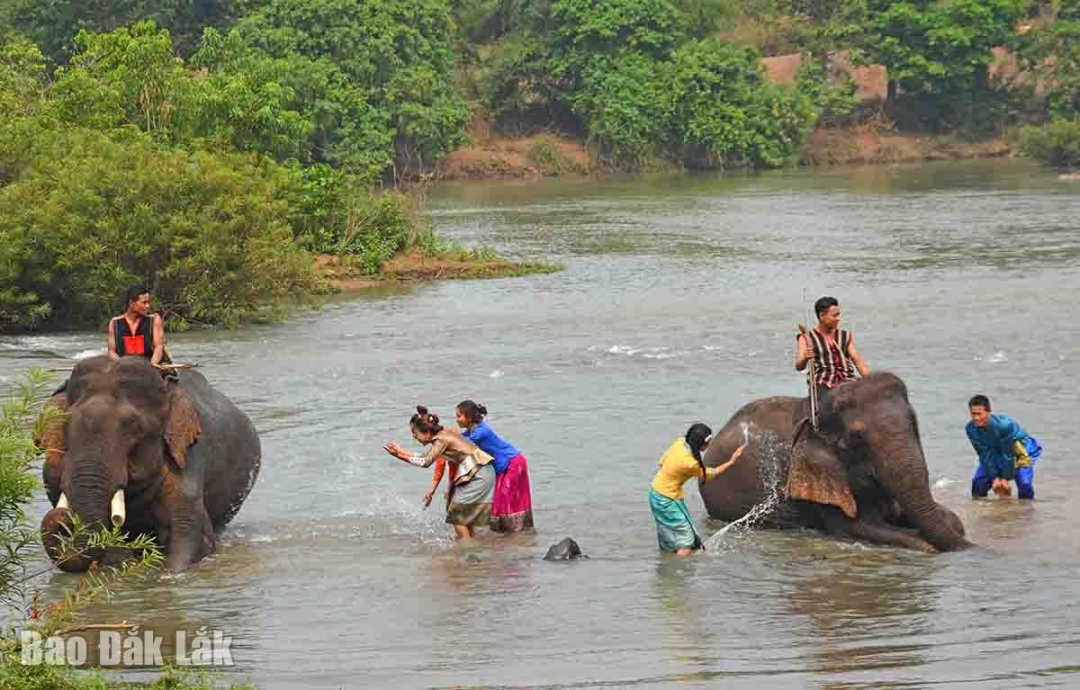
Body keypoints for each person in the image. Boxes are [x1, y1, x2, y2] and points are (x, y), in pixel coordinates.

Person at [384, 406, 496, 540]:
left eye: (415, 433)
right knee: (463, 517)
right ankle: (469, 543)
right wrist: (400, 451)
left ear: (426, 432)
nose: (414, 437)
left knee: (456, 516)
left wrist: (399, 456)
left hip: (479, 474)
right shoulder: (442, 436)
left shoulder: (440, 440)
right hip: (483, 471)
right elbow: (426, 456)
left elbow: (425, 462)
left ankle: (466, 547)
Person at [649, 424, 745, 556]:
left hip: (655, 493)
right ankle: (680, 566)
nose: (709, 446)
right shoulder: (689, 463)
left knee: (669, 535)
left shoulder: (679, 443)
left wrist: (672, 478)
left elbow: (661, 463)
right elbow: (711, 473)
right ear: (700, 444)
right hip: (667, 499)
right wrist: (732, 461)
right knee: (687, 540)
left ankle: (667, 564)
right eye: (708, 443)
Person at [455, 401, 534, 533]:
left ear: (469, 418)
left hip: (513, 462)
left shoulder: (481, 432)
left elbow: (461, 443)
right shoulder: (472, 430)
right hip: (504, 466)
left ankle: (513, 531)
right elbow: (458, 438)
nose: (456, 419)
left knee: (506, 497)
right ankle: (509, 531)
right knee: (499, 499)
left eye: (459, 416)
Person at [795, 296, 870, 407]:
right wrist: (805, 358)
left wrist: (872, 381)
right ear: (822, 316)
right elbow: (799, 366)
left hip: (848, 381)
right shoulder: (807, 338)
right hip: (824, 382)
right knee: (828, 407)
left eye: (838, 315)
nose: (838, 319)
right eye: (834, 316)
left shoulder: (844, 336)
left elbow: (857, 361)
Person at [966, 395, 1042, 500]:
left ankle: (1026, 506)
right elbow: (983, 453)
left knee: (1025, 484)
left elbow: (1008, 455)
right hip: (994, 451)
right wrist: (995, 478)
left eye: (979, 414)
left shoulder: (1004, 426)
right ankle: (980, 506)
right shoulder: (970, 429)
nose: (976, 418)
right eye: (973, 414)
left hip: (1019, 451)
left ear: (989, 412)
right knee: (978, 482)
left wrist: (1005, 479)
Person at [107, 285, 167, 367]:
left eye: (148, 302)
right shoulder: (114, 323)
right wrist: (122, 366)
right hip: (124, 367)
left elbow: (159, 347)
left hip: (150, 366)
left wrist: (151, 366)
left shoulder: (155, 319)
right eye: (144, 302)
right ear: (131, 303)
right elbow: (111, 351)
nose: (148, 306)